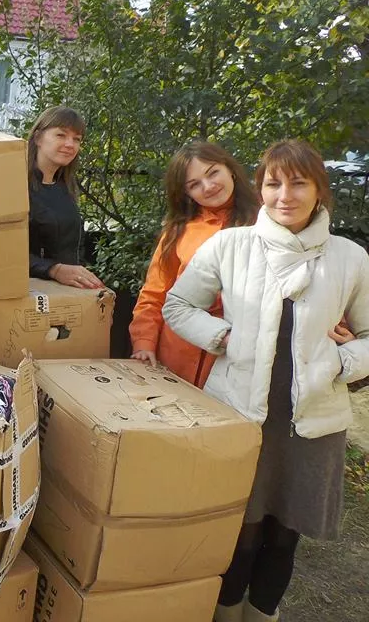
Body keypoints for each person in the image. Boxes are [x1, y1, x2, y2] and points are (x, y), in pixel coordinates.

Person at [162, 139, 369, 622]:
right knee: (239, 531)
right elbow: (178, 304)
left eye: (299, 183)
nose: (285, 195)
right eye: (274, 184)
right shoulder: (231, 246)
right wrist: (223, 337)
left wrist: (342, 361)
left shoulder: (350, 257)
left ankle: (262, 615)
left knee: (283, 536)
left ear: (319, 190)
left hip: (312, 425)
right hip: (240, 414)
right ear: (260, 189)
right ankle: (224, 613)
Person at [129, 141, 258, 387]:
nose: (208, 186)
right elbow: (155, 294)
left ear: (230, 169)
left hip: (235, 358)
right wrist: (144, 343)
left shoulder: (265, 223)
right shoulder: (177, 231)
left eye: (213, 173)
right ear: (186, 193)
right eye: (194, 184)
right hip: (175, 354)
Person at [27, 105, 104, 289]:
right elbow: (1, 249)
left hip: (65, 292)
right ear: (38, 138)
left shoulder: (65, 186)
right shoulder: (14, 186)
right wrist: (53, 269)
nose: (70, 144)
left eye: (77, 139)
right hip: (30, 291)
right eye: (61, 135)